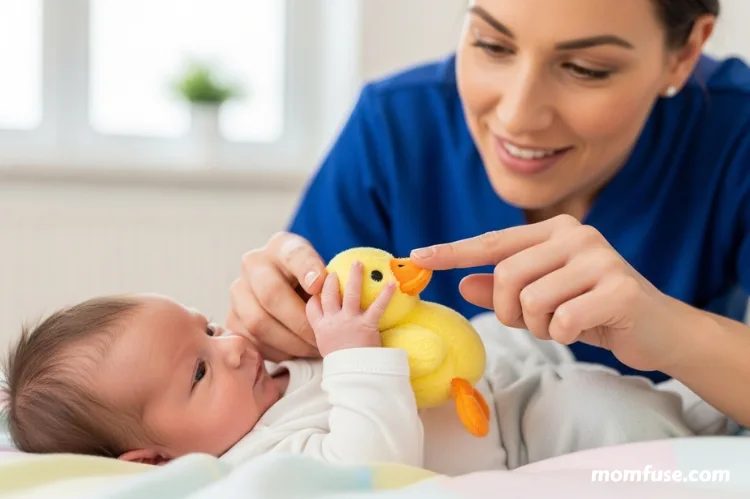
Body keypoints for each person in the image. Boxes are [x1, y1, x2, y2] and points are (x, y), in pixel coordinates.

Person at [227, 0, 750, 430]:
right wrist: (269, 329)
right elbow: (290, 392)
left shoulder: (736, 132)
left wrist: (675, 334)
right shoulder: (396, 127)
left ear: (684, 52)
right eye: (492, 44)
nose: (517, 115)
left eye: (586, 69)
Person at [1, 265, 693, 475]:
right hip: (513, 433)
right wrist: (354, 355)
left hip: (484, 380)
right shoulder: (262, 461)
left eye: (208, 328)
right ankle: (701, 426)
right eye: (199, 372)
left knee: (514, 339)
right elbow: (373, 466)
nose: (235, 344)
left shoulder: (259, 378)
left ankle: (692, 397)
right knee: (608, 410)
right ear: (153, 456)